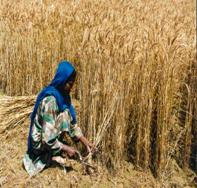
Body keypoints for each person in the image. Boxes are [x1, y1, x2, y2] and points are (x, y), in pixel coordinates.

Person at [23, 60, 94, 176]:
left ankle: (56, 150)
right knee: (63, 117)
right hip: (40, 144)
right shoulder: (51, 100)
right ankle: (50, 155)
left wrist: (85, 142)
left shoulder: (64, 97)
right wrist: (66, 148)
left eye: (73, 82)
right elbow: (46, 138)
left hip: (49, 138)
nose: (71, 85)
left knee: (65, 113)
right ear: (62, 79)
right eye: (69, 82)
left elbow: (71, 124)